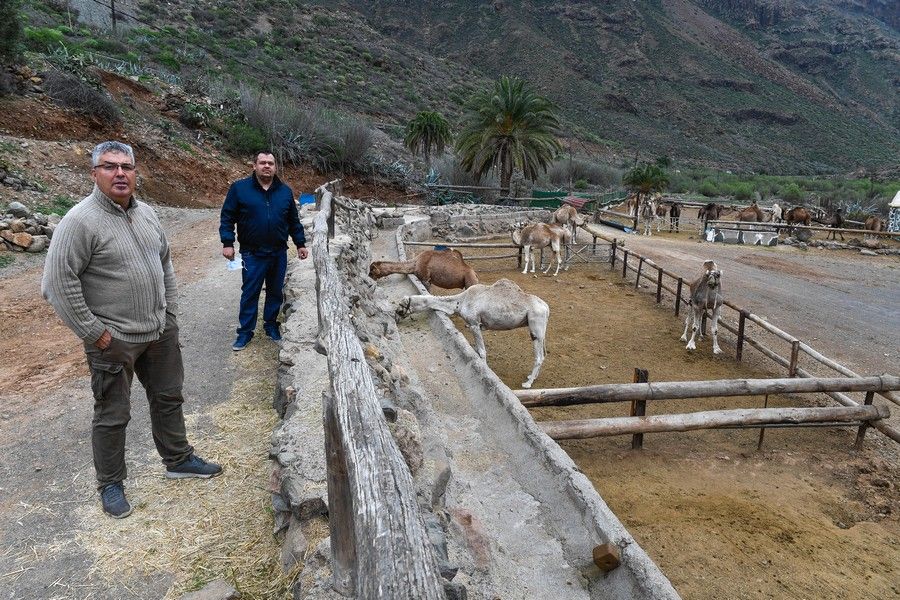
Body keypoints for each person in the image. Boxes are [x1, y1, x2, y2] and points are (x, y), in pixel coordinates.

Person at [42, 141, 222, 519]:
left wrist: (170, 314)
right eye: (109, 167)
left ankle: (178, 459)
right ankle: (110, 484)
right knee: (112, 414)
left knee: (169, 397)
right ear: (94, 173)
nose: (120, 173)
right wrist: (94, 332)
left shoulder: (148, 214)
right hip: (114, 341)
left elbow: (165, 265)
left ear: (136, 173)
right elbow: (57, 284)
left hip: (159, 333)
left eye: (127, 166)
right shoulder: (80, 221)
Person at [219, 151, 308, 351]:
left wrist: (300, 243)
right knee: (250, 293)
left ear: (275, 167)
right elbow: (227, 217)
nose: (266, 166)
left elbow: (293, 221)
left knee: (275, 292)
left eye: (270, 163)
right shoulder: (239, 189)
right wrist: (227, 242)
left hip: (278, 252)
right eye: (262, 163)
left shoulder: (285, 192)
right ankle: (245, 333)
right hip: (252, 253)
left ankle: (270, 325)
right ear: (254, 166)